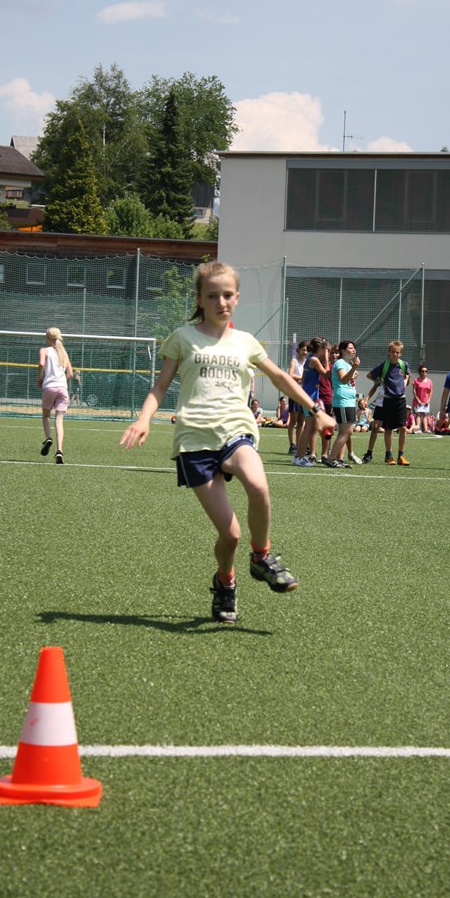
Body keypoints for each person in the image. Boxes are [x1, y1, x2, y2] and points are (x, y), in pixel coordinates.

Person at [119, 261, 335, 625]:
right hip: (194, 441)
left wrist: (317, 410)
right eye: (212, 296)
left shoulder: (246, 342)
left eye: (228, 295)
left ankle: (261, 556)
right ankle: (225, 582)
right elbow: (160, 386)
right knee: (231, 535)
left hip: (236, 431)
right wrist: (144, 419)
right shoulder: (182, 338)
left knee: (258, 485)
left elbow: (280, 377)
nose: (221, 302)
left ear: (237, 298)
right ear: (200, 300)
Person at [367, 340, 411, 466]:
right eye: (393, 352)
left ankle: (401, 455)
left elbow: (408, 374)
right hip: (387, 399)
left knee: (403, 428)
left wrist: (405, 381)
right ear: (389, 352)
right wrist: (380, 382)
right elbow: (369, 375)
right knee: (388, 428)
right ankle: (389, 455)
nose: (395, 354)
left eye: (397, 352)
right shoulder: (383, 365)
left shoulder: (403, 365)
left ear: (400, 353)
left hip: (400, 399)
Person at [38, 327, 74, 464]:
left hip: (49, 387)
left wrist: (40, 377)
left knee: (46, 416)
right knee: (59, 421)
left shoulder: (44, 350)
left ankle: (48, 438)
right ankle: (59, 450)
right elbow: (70, 374)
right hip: (63, 388)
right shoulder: (63, 353)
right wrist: (61, 378)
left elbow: (41, 363)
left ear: (47, 338)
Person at [322, 339, 359, 469]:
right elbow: (343, 380)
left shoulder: (347, 364)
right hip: (343, 400)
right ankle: (331, 458)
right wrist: (354, 368)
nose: (353, 350)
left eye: (354, 348)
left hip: (348, 401)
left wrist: (353, 371)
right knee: (346, 432)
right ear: (343, 351)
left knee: (345, 432)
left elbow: (347, 379)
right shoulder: (340, 363)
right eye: (350, 348)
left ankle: (338, 459)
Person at [293, 336, 329, 467]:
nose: (325, 352)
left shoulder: (309, 359)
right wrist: (326, 359)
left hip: (308, 396)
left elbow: (303, 378)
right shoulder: (314, 359)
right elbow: (326, 374)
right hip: (311, 398)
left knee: (310, 427)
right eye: (324, 349)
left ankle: (299, 456)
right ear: (320, 348)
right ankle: (299, 457)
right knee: (308, 428)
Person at [287, 340, 307, 455]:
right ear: (298, 350)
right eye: (303, 349)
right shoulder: (294, 361)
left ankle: (300, 444)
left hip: (305, 393)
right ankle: (292, 444)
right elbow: (290, 374)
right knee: (293, 419)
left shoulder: (308, 362)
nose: (305, 352)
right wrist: (302, 378)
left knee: (301, 420)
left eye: (307, 350)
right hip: (295, 392)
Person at [412, 365, 433, 434]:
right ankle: (418, 428)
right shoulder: (416, 380)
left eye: (426, 371)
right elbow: (414, 391)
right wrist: (417, 399)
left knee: (424, 414)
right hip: (417, 401)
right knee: (417, 414)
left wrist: (428, 400)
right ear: (420, 372)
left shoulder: (429, 381)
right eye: (422, 371)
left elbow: (431, 391)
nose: (424, 372)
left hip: (426, 401)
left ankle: (425, 429)